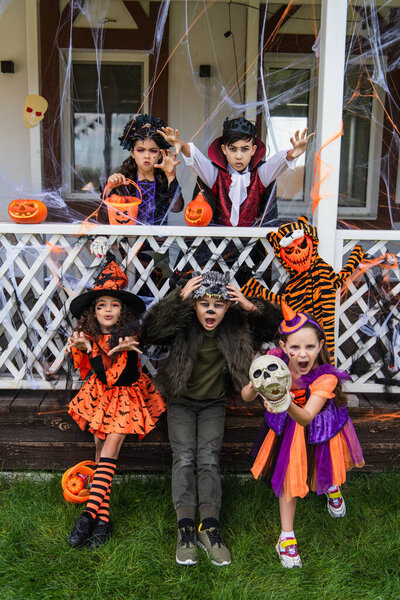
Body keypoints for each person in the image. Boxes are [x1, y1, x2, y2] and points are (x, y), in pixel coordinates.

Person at [141, 270, 281, 567]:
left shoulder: (236, 325)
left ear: (226, 307)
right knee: (184, 458)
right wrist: (177, 300)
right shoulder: (184, 322)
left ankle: (210, 526)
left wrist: (248, 305)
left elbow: (272, 327)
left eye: (217, 305)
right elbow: (151, 332)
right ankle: (186, 528)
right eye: (204, 304)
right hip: (180, 400)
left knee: (208, 458)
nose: (210, 311)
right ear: (195, 306)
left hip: (213, 403)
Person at [241, 302, 364, 569]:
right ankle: (286, 537)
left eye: (309, 346)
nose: (302, 354)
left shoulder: (326, 379)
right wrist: (256, 385)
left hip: (319, 424)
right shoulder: (274, 362)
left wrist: (282, 399)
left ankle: (331, 486)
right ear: (283, 346)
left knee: (325, 463)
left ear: (320, 345)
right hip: (289, 429)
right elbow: (246, 395)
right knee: (290, 474)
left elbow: (307, 417)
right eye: (294, 347)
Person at [66, 256, 166, 549]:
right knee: (99, 447)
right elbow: (91, 371)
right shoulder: (90, 336)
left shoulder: (130, 334)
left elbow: (117, 374)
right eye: (101, 306)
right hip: (101, 396)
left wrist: (98, 349)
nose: (107, 310)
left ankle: (87, 514)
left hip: (127, 396)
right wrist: (85, 348)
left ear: (122, 311)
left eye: (114, 305)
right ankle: (103, 518)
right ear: (93, 312)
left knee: (112, 444)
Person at [159, 117, 313, 227]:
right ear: (224, 149)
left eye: (244, 149)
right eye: (233, 149)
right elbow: (195, 156)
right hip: (216, 248)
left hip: (251, 249)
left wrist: (294, 153)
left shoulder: (261, 175)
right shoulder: (214, 174)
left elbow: (279, 162)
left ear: (253, 150)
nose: (239, 156)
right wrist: (181, 144)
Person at [91, 114, 184, 257]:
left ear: (160, 154)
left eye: (153, 151)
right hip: (125, 248)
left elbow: (177, 208)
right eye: (141, 150)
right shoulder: (124, 181)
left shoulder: (162, 181)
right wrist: (109, 188)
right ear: (133, 153)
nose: (147, 156)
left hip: (156, 249)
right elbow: (104, 214)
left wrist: (171, 176)